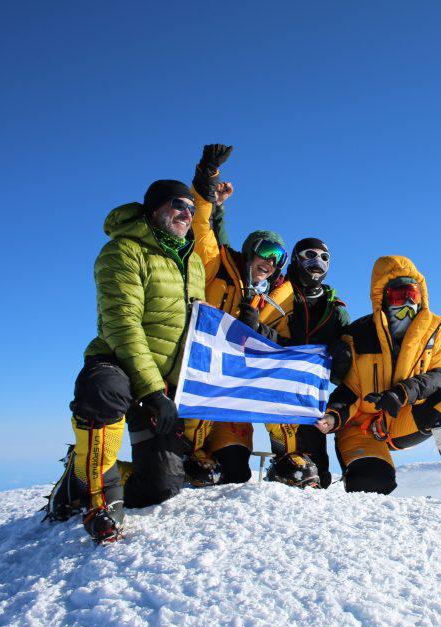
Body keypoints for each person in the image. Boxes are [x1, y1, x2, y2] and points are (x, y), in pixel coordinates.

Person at [43, 179, 207, 543]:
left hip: (162, 379)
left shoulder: (192, 261)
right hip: (119, 361)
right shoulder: (122, 251)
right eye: (178, 205)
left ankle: (87, 469)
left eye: (191, 209)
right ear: (153, 209)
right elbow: (122, 323)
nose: (186, 214)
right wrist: (152, 391)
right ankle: (98, 499)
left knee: (162, 487)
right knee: (103, 390)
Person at [315, 256, 441, 500]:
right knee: (371, 483)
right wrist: (333, 417)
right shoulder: (359, 335)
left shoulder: (432, 333)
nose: (407, 304)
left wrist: (403, 393)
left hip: (399, 418)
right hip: (360, 425)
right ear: (382, 298)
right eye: (398, 296)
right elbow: (349, 391)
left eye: (412, 295)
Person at [183, 144, 290, 487]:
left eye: (278, 258)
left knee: (236, 474)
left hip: (229, 402)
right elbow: (201, 222)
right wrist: (208, 174)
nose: (270, 262)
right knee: (176, 473)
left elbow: (279, 349)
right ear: (248, 251)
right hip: (193, 389)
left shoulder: (262, 303)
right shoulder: (217, 266)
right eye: (265, 252)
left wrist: (257, 329)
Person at [262, 238, 351, 488]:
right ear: (296, 259)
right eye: (310, 254)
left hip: (312, 398)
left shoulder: (334, 309)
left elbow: (344, 372)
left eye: (324, 257)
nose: (317, 261)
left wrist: (341, 356)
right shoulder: (276, 295)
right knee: (290, 463)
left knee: (316, 473)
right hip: (276, 392)